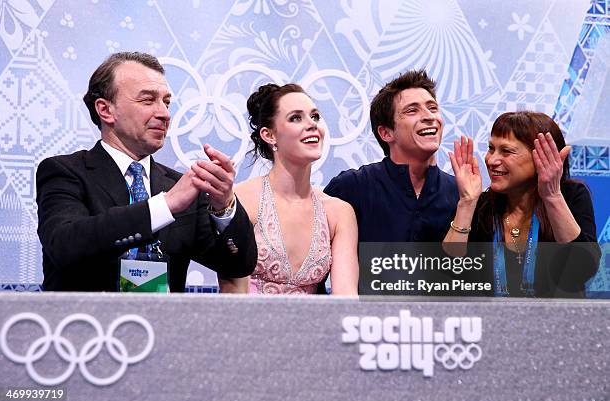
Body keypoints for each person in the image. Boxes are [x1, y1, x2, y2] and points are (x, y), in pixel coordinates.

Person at [36, 52, 257, 291]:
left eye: (167, 102)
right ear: (106, 110)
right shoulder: (65, 172)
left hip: (162, 326)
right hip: (87, 325)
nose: (164, 113)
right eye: (148, 100)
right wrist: (164, 207)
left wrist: (224, 205)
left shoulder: (178, 186)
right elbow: (64, 246)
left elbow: (238, 265)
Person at [219, 83, 359, 295]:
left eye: (315, 116)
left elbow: (346, 299)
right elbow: (232, 294)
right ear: (269, 135)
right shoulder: (243, 200)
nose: (311, 124)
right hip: (247, 325)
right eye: (296, 118)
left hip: (316, 327)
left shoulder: (338, 212)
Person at [444, 111, 600, 298]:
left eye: (506, 151)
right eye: (491, 148)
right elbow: (449, 273)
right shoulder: (482, 205)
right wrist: (467, 202)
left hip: (558, 323)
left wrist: (551, 196)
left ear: (540, 157)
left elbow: (582, 270)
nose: (491, 160)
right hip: (492, 323)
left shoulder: (570, 197)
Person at [324, 69, 459, 243]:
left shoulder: (460, 193)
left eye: (433, 108)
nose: (429, 116)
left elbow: (471, 267)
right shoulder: (352, 188)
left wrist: (468, 203)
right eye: (412, 111)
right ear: (386, 133)